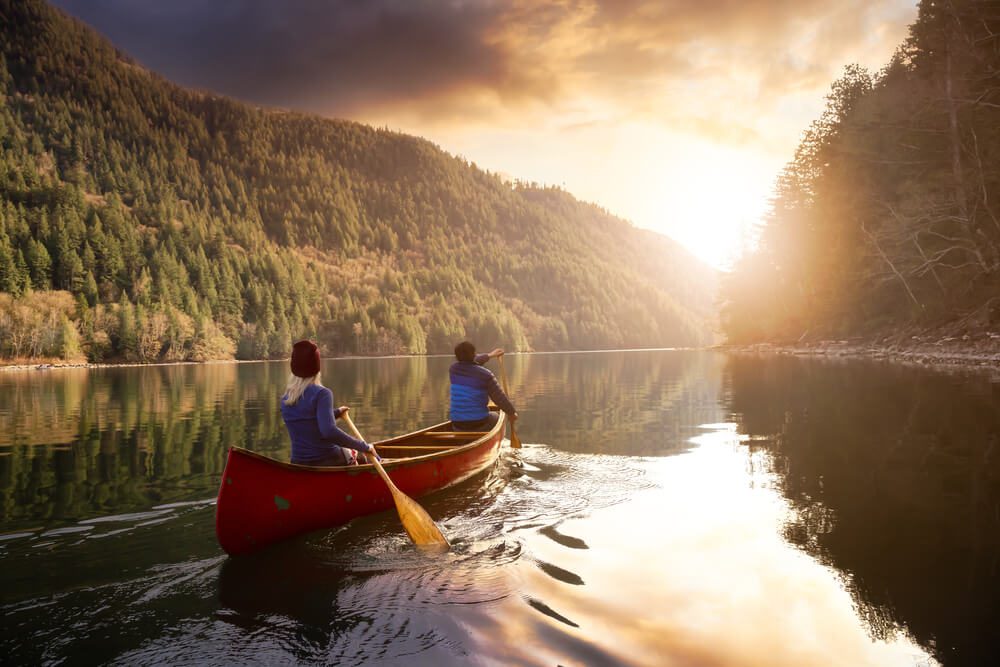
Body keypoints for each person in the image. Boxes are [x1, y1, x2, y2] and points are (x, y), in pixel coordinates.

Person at [280, 339, 376, 466]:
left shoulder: (286, 399)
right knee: (363, 457)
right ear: (316, 367)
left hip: (298, 462)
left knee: (356, 452)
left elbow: (308, 419)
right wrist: (364, 446)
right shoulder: (322, 394)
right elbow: (329, 431)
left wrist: (336, 412)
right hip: (327, 460)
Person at [449, 341, 517, 431]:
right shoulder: (486, 375)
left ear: (457, 356)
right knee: (496, 417)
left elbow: (470, 361)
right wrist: (512, 413)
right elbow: (499, 398)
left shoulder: (453, 370)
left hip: (457, 423)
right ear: (473, 354)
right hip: (478, 422)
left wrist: (490, 355)